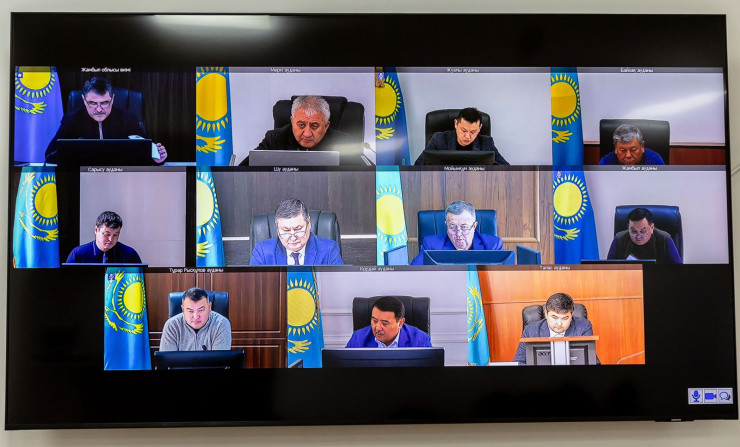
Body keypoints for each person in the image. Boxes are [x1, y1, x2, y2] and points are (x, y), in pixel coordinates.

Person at [45, 76, 167, 164]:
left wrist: (157, 159)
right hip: (83, 178)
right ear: (84, 100)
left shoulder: (129, 119)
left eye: (104, 103)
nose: (99, 109)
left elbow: (144, 154)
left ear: (112, 99)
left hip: (122, 178)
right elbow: (50, 155)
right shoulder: (71, 120)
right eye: (93, 103)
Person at [238, 95, 361, 166]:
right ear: (292, 122)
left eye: (314, 126)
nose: (307, 134)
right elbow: (242, 171)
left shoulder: (344, 142)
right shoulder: (274, 139)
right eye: (301, 125)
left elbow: (360, 178)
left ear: (326, 126)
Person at [249, 198, 344, 266]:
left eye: (298, 229)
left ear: (309, 223)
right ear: (277, 228)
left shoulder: (329, 250)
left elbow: (339, 284)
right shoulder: (262, 251)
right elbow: (253, 286)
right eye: (286, 231)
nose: (293, 237)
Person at [410, 200, 503, 265]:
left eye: (464, 227)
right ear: (446, 225)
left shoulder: (493, 245)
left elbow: (500, 279)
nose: (458, 234)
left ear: (474, 226)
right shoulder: (432, 245)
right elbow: (414, 273)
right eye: (452, 227)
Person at [513, 293, 594, 365]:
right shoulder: (530, 331)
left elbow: (589, 361)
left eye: (565, 318)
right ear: (546, 313)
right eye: (554, 317)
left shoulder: (583, 327)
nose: (559, 324)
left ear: (571, 314)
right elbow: (519, 362)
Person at [414, 107, 509, 165]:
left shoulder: (486, 143)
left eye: (473, 132)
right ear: (456, 124)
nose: (467, 136)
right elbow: (418, 165)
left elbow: (506, 168)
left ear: (480, 128)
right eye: (464, 130)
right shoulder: (439, 139)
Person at [159, 287, 232, 351]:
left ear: (209, 307)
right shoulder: (172, 326)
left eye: (201, 310)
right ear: (183, 309)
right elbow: (167, 360)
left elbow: (219, 361)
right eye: (190, 311)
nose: (196, 316)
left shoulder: (221, 324)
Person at [346, 296, 432, 348]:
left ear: (400, 323)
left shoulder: (420, 340)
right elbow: (345, 369)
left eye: (384, 323)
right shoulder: (358, 339)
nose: (377, 328)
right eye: (374, 321)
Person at [607, 207, 682, 263]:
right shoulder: (619, 239)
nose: (638, 236)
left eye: (642, 231)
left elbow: (679, 271)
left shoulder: (665, 239)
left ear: (652, 228)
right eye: (634, 231)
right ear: (628, 228)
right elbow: (607, 269)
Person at [66, 211, 142, 263]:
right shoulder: (78, 254)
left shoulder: (130, 254)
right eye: (107, 234)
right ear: (96, 230)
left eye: (115, 235)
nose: (111, 239)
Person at [599, 124, 665, 165]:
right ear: (616, 148)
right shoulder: (606, 163)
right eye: (623, 150)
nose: (628, 155)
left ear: (642, 146)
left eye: (633, 150)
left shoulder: (655, 161)